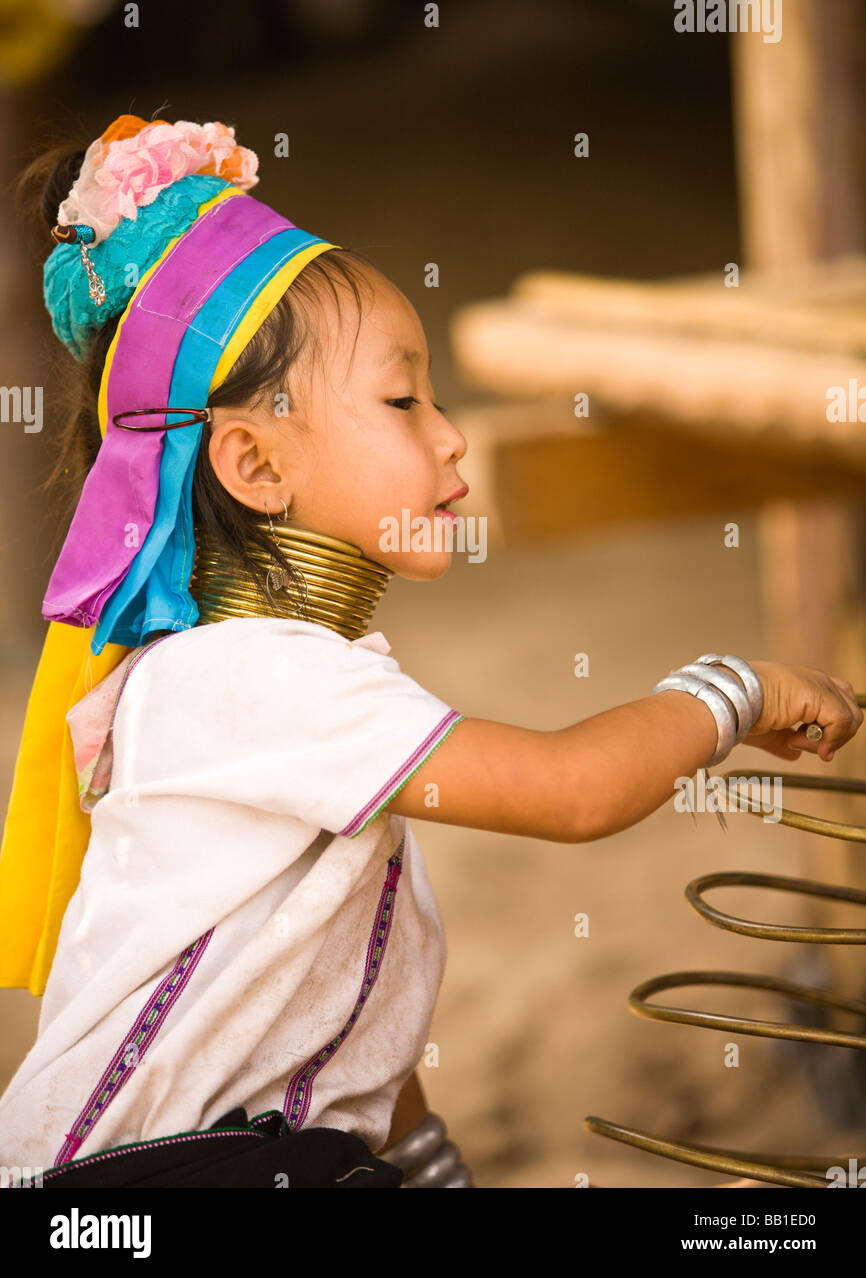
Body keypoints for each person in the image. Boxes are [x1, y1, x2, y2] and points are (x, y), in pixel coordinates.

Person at [0, 113, 861, 1189]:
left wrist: (417, 1154)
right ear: (253, 464)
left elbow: (330, 962)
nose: (450, 434)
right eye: (403, 399)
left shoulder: (296, 674)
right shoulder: (248, 677)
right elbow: (572, 790)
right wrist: (735, 689)